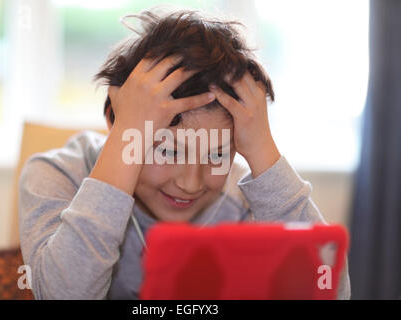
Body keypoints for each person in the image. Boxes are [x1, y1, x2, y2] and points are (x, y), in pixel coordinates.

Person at [18, 8, 351, 299]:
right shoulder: (57, 175)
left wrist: (263, 151)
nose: (192, 184)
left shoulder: (246, 202)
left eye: (218, 155)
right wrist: (128, 135)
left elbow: (328, 293)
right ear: (115, 124)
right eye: (168, 151)